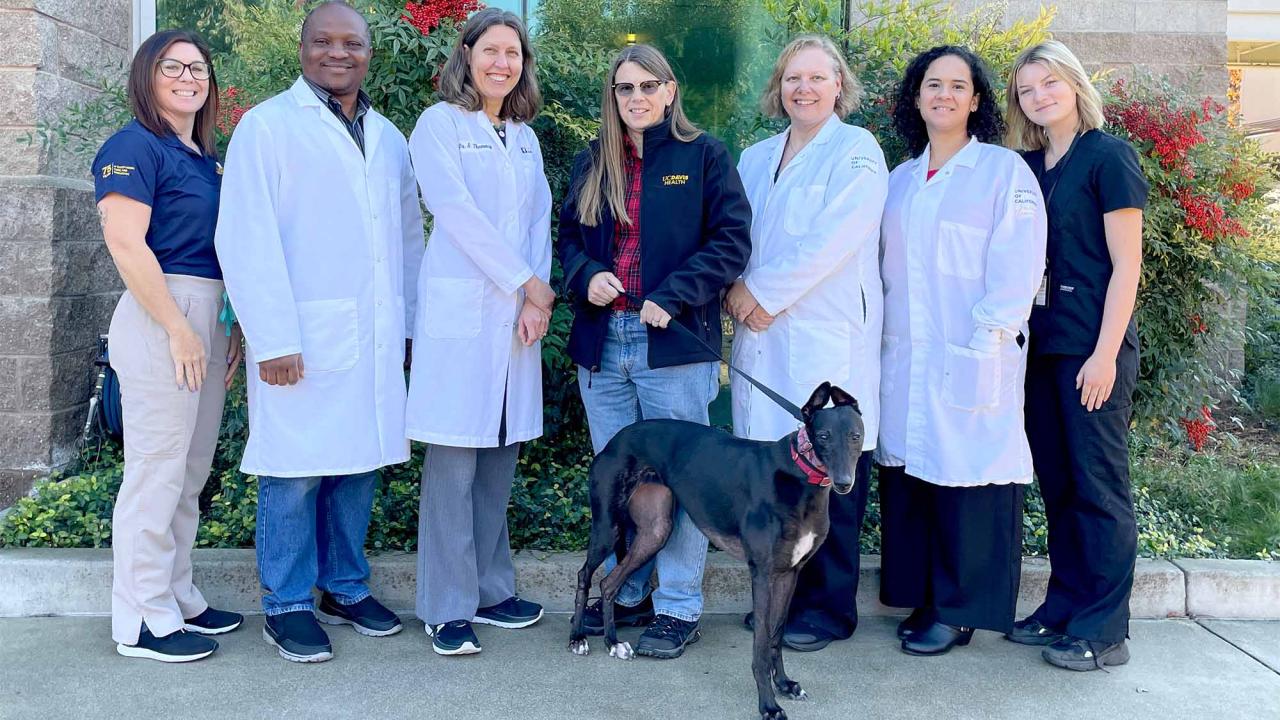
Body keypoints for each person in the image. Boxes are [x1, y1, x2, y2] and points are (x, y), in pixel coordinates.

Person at [214, 0, 425, 663]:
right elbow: (244, 236)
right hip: (299, 338)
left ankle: (345, 585)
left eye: (353, 43)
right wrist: (272, 337)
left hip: (372, 335)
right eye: (324, 41)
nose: (339, 53)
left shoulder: (389, 136)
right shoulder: (268, 127)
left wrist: (410, 325)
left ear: (370, 52)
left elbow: (406, 236)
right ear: (302, 48)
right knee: (295, 470)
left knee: (358, 464)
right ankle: (286, 602)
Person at [557, 43, 752, 660]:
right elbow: (566, 240)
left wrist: (674, 294)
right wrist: (585, 274)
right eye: (624, 89)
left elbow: (731, 241)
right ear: (612, 98)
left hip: (673, 346)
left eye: (648, 86)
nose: (636, 98)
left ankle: (678, 608)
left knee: (683, 485)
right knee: (623, 486)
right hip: (602, 343)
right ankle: (630, 591)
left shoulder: (705, 156)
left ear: (670, 91)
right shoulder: (595, 161)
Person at [876, 45, 1047, 656]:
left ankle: (960, 610)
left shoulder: (1004, 173)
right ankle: (926, 595)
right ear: (915, 97)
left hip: (975, 351)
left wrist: (988, 341)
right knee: (916, 476)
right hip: (906, 358)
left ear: (976, 100)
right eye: (931, 84)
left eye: (957, 86)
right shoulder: (897, 180)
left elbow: (1018, 267)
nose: (943, 95)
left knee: (968, 480)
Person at [728, 34, 887, 652]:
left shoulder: (857, 151)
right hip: (761, 333)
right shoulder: (754, 156)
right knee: (773, 480)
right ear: (779, 87)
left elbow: (836, 237)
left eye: (817, 78)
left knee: (832, 474)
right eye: (793, 79)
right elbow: (734, 234)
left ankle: (826, 608)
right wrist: (732, 288)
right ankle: (777, 600)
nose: (804, 89)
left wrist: (762, 293)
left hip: (824, 336)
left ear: (838, 85)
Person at [405, 8, 553, 657]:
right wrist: (524, 280)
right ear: (466, 57)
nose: (502, 62)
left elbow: (539, 220)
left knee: (499, 459)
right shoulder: (439, 126)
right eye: (490, 50)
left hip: (515, 316)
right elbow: (455, 213)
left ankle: (492, 590)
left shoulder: (523, 135)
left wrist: (536, 299)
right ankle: (445, 606)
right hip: (463, 316)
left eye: (512, 53)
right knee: (455, 465)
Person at [95, 28, 245, 663]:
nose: (190, 77)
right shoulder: (133, 146)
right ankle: (141, 618)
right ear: (147, 77)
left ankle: (177, 593)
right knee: (155, 472)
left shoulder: (204, 156)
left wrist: (226, 326)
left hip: (206, 313)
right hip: (165, 314)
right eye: (173, 67)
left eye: (199, 68)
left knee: (190, 472)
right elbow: (128, 246)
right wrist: (181, 329)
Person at [1004, 40, 1148, 671]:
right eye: (1028, 89)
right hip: (1041, 349)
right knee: (1059, 487)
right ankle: (1063, 606)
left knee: (1099, 489)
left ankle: (1104, 630)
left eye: (1049, 83)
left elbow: (1127, 266)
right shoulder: (1030, 166)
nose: (1039, 97)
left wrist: (1106, 354)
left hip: (1093, 351)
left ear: (1075, 84)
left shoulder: (1108, 156)